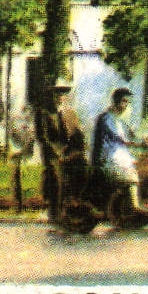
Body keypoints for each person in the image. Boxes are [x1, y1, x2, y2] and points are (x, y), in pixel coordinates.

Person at [41, 83, 88, 217]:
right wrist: (59, 152)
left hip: (68, 151)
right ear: (52, 96)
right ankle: (57, 211)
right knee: (58, 174)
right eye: (57, 95)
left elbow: (77, 134)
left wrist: (80, 146)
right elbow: (44, 138)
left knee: (83, 166)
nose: (60, 97)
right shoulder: (45, 114)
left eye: (62, 95)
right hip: (52, 154)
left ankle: (76, 203)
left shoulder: (69, 113)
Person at [93, 87, 142, 213]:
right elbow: (119, 138)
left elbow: (131, 134)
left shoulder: (118, 119)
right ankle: (135, 208)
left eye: (127, 102)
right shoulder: (107, 118)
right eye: (124, 102)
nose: (126, 105)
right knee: (132, 175)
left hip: (119, 156)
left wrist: (147, 140)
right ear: (116, 101)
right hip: (108, 158)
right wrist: (134, 143)